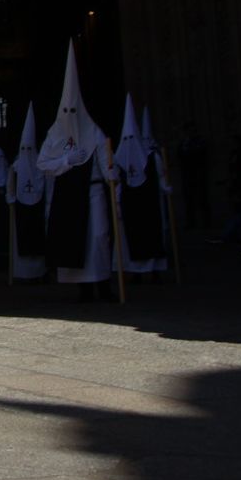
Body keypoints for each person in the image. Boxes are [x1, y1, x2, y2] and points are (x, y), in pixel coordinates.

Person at [39, 45, 117, 298]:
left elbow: (106, 164)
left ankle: (103, 284)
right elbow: (43, 163)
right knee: (73, 238)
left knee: (98, 235)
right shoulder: (55, 134)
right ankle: (83, 288)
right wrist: (65, 160)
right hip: (68, 194)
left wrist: (112, 181)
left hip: (92, 192)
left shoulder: (94, 133)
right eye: (66, 112)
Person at [114, 96, 169, 277]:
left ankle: (154, 270)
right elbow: (117, 182)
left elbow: (160, 176)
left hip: (148, 203)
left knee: (151, 235)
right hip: (129, 205)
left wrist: (165, 187)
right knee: (130, 239)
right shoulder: (118, 159)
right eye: (126, 138)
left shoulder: (152, 158)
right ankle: (134, 272)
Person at [7, 104, 48, 280]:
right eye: (24, 149)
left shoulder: (40, 165)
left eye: (29, 150)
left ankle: (39, 273)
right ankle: (21, 273)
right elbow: (10, 184)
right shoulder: (16, 166)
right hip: (20, 208)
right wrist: (11, 198)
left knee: (37, 240)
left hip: (37, 207)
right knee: (21, 240)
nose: (26, 153)